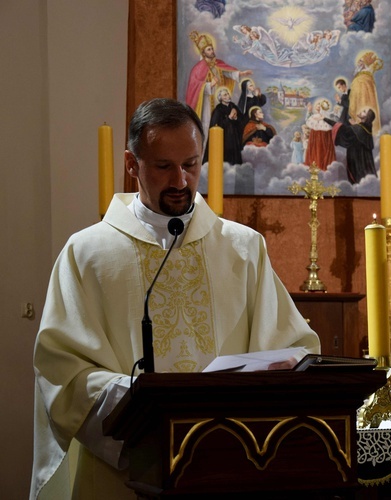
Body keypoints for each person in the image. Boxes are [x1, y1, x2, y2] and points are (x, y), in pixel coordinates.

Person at [31, 98, 320, 499]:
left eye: (190, 164)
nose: (181, 181)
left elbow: (294, 347)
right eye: (164, 166)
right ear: (132, 165)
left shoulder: (243, 248)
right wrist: (142, 406)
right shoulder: (87, 253)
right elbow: (61, 371)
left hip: (226, 469)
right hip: (121, 475)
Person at [185, 31, 252, 145]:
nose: (212, 51)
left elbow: (227, 73)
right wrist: (210, 85)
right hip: (206, 103)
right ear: (203, 52)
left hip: (218, 101)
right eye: (209, 49)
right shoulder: (198, 68)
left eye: (211, 48)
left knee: (222, 125)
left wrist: (240, 74)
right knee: (207, 126)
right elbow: (195, 87)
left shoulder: (218, 63)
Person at [324, 107, 377, 184]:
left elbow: (343, 130)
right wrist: (355, 126)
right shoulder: (367, 128)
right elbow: (358, 131)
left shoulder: (359, 129)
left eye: (364, 111)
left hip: (357, 165)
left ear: (366, 117)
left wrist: (325, 119)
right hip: (363, 165)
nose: (361, 111)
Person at [202, 87, 244, 165]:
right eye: (225, 95)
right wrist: (229, 118)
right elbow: (215, 126)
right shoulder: (218, 110)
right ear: (220, 98)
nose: (228, 96)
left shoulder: (234, 107)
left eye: (228, 94)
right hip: (223, 140)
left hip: (234, 139)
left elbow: (242, 121)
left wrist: (236, 118)